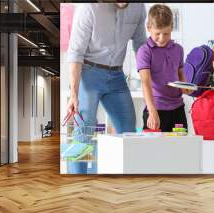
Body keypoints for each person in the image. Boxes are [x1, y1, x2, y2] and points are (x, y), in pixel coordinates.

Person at [66, 3, 147, 135]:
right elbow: (76, 52)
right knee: (84, 132)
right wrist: (73, 94)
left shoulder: (138, 7)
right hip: (88, 75)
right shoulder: (88, 8)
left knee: (128, 131)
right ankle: (83, 151)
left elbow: (141, 46)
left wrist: (149, 84)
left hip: (117, 77)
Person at [136, 4, 192, 132]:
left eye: (166, 34)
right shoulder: (144, 51)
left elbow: (180, 73)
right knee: (155, 151)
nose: (162, 38)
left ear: (172, 27)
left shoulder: (178, 49)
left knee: (180, 149)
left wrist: (186, 87)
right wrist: (152, 111)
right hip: (156, 109)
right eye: (158, 33)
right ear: (149, 28)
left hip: (178, 109)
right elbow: (145, 82)